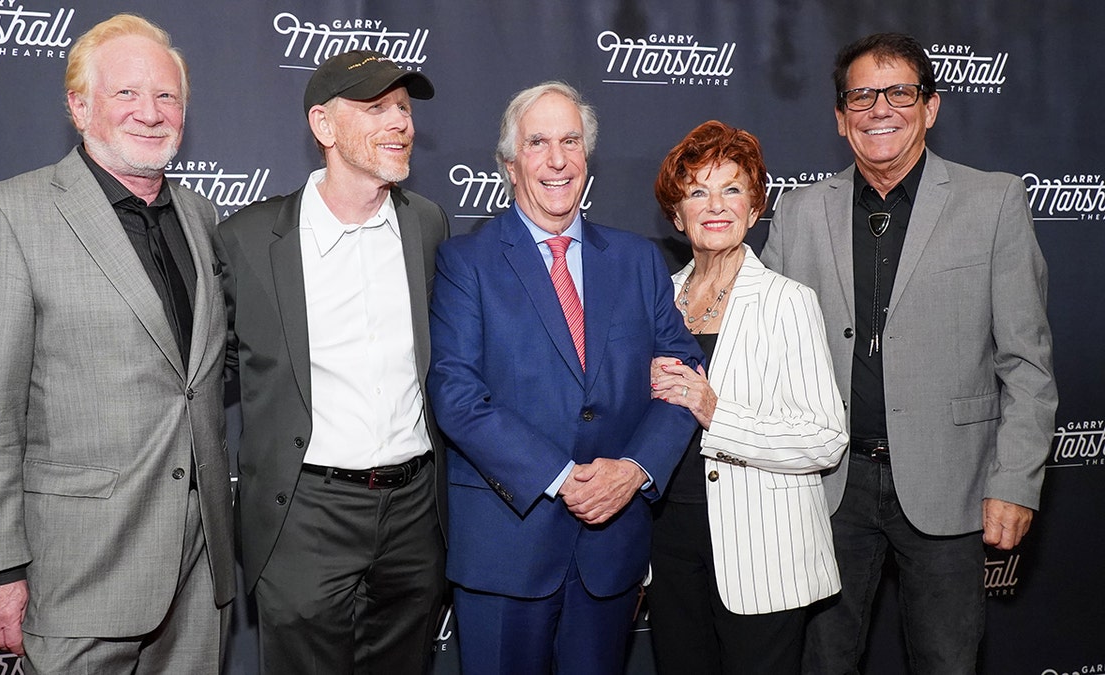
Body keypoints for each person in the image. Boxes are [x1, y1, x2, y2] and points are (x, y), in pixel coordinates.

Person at [0, 13, 234, 673]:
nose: (151, 112)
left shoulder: (203, 216)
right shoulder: (5, 214)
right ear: (80, 106)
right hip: (76, 571)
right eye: (126, 93)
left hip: (197, 568)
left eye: (167, 96)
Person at [762, 32, 1058, 674]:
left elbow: (1027, 366)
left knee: (947, 663)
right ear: (840, 118)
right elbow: (763, 347)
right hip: (827, 490)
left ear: (931, 106)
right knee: (821, 663)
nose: (880, 108)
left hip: (952, 483)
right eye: (861, 95)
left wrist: (1016, 482)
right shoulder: (799, 213)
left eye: (899, 91)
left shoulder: (994, 202)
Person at [427, 81, 702, 675]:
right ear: (509, 163)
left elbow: (684, 377)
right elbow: (455, 393)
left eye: (571, 141)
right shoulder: (464, 262)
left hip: (611, 550)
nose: (557, 159)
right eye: (538, 143)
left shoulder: (637, 260)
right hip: (506, 545)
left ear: (587, 157)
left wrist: (633, 470)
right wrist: (559, 477)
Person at [213, 50, 448, 674]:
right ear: (323, 125)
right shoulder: (248, 240)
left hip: (415, 510)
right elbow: (211, 373)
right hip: (304, 511)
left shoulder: (427, 226)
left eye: (402, 107)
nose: (399, 122)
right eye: (375, 108)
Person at [647, 120, 849, 674]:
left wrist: (717, 413)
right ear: (676, 213)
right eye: (697, 191)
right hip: (668, 540)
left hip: (761, 548)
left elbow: (825, 439)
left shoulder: (789, 302)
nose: (715, 205)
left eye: (732, 189)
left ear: (755, 208)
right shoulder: (655, 300)